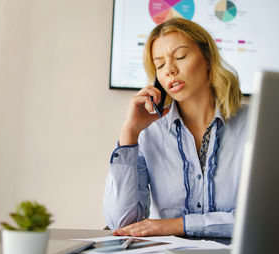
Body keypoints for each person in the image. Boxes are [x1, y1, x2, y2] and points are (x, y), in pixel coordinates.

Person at [103, 18, 248, 238]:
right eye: (159, 65)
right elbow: (121, 223)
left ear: (208, 58)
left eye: (180, 57)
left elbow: (267, 217)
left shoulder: (254, 125)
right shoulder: (149, 133)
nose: (169, 70)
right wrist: (129, 134)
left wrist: (178, 225)